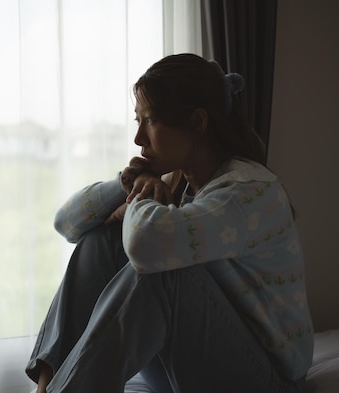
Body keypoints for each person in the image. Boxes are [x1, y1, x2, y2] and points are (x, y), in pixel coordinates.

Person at [25, 53, 313, 392]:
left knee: (164, 274)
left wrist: (141, 197)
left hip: (268, 380)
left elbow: (145, 248)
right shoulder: (183, 187)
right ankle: (44, 388)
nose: (138, 138)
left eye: (150, 120)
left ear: (197, 123)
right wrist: (128, 182)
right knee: (102, 242)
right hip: (198, 361)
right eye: (138, 120)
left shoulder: (247, 190)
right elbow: (66, 223)